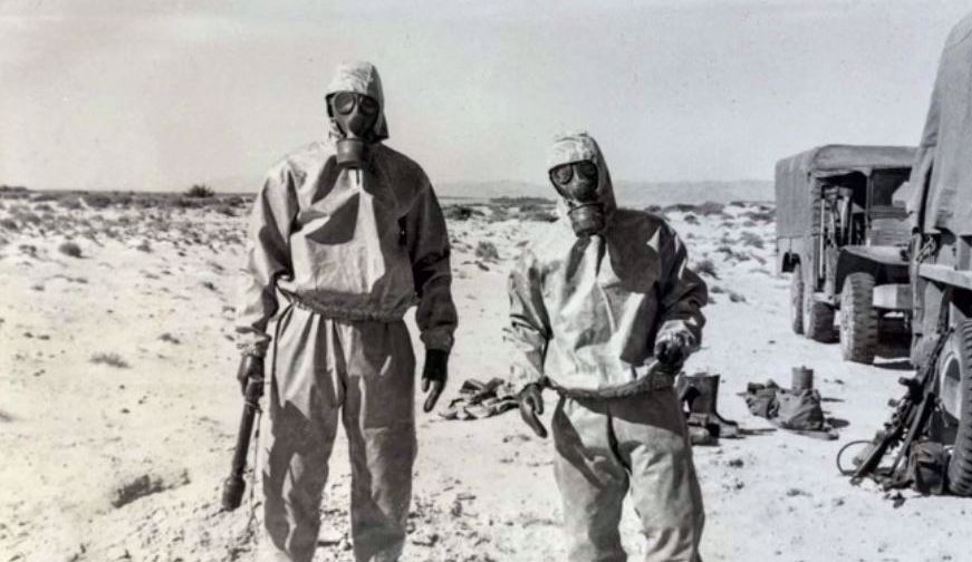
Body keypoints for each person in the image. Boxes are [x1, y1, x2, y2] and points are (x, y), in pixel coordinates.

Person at [235, 60, 457, 562]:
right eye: (344, 103)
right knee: (293, 466)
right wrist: (251, 342)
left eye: (367, 104)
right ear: (328, 108)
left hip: (382, 337)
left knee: (385, 471)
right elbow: (260, 261)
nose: (355, 114)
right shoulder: (293, 173)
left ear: (380, 111)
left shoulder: (406, 178)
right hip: (306, 331)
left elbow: (433, 263)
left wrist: (437, 343)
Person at [506, 132, 708, 561]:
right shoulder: (541, 251)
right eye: (563, 175)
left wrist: (676, 338)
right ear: (552, 182)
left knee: (675, 533)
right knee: (589, 542)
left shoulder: (651, 235)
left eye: (586, 171)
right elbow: (525, 323)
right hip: (578, 413)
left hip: (648, 403)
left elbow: (684, 299)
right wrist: (525, 380)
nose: (577, 183)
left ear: (603, 172)